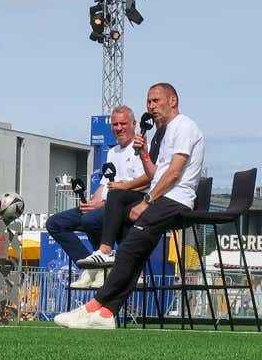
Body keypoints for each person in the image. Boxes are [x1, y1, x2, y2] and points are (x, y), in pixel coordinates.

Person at [56, 82, 203, 329]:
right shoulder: (163, 132)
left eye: (156, 101)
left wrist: (147, 201)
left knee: (130, 247)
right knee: (118, 198)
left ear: (173, 101)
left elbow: (175, 174)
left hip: (177, 199)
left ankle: (93, 307)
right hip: (165, 195)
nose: (151, 106)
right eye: (149, 102)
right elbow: (158, 173)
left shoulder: (184, 126)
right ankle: (106, 310)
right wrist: (145, 155)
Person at [46, 106, 148, 288]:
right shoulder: (112, 152)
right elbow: (104, 185)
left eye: (123, 123)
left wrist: (101, 205)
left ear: (134, 124)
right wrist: (93, 202)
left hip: (124, 205)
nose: (119, 128)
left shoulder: (140, 149)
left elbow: (144, 183)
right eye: (115, 124)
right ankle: (92, 267)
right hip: (103, 205)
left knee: (91, 220)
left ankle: (104, 262)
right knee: (55, 223)